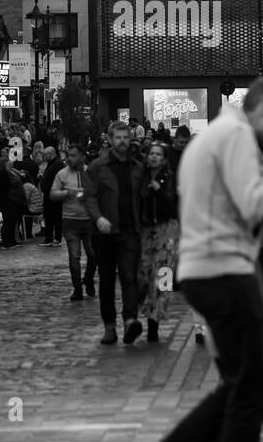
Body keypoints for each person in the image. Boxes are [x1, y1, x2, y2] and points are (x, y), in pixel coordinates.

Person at [155, 77, 263, 442]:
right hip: (223, 272)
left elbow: (234, 206)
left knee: (242, 387)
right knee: (251, 393)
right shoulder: (236, 135)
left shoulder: (219, 136)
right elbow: (251, 204)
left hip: (209, 271)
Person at [85, 122, 148, 345]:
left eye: (126, 137)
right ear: (110, 140)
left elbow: (144, 197)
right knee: (107, 280)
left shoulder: (138, 167)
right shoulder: (97, 167)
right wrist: (98, 217)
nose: (122, 141)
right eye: (118, 137)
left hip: (130, 231)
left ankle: (130, 320)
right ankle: (109, 327)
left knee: (130, 277)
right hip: (104, 234)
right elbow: (89, 196)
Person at [138, 142, 180, 344]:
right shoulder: (140, 177)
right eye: (151, 153)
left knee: (164, 275)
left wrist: (160, 190)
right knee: (145, 273)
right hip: (146, 230)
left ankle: (154, 322)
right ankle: (143, 313)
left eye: (158, 154)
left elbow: (173, 202)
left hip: (167, 229)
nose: (154, 157)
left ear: (164, 159)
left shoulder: (169, 178)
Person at [53, 145, 98, 300]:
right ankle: (77, 289)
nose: (69, 158)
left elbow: (98, 191)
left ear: (81, 157)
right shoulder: (62, 174)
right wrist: (67, 193)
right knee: (74, 256)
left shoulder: (89, 172)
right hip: (70, 221)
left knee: (93, 254)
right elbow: (53, 193)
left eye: (73, 155)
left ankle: (88, 279)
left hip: (89, 220)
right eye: (68, 155)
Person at [0, 155, 26, 249]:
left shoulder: (12, 171)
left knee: (13, 221)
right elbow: (0, 189)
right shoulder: (2, 173)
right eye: (9, 161)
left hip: (15, 200)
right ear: (5, 163)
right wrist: (6, 199)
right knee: (8, 221)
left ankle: (12, 240)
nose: (11, 162)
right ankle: (6, 242)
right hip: (8, 201)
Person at [39, 147, 63, 247]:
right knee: (48, 217)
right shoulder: (52, 163)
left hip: (54, 196)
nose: (44, 157)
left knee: (56, 217)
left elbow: (58, 180)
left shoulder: (58, 164)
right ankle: (48, 238)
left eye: (45, 155)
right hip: (50, 196)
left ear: (50, 154)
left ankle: (57, 238)